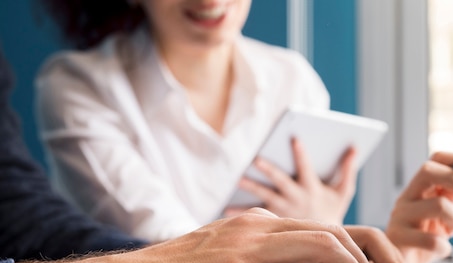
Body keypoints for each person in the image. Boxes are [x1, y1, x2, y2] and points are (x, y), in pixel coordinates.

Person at [0, 42, 453, 263]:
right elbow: (182, 258)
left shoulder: (289, 75)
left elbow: (25, 215)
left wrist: (370, 260)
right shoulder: (82, 83)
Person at [34, 0, 359, 242]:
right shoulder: (78, 86)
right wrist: (314, 232)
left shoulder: (293, 79)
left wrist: (325, 227)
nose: (209, 1)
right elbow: (174, 252)